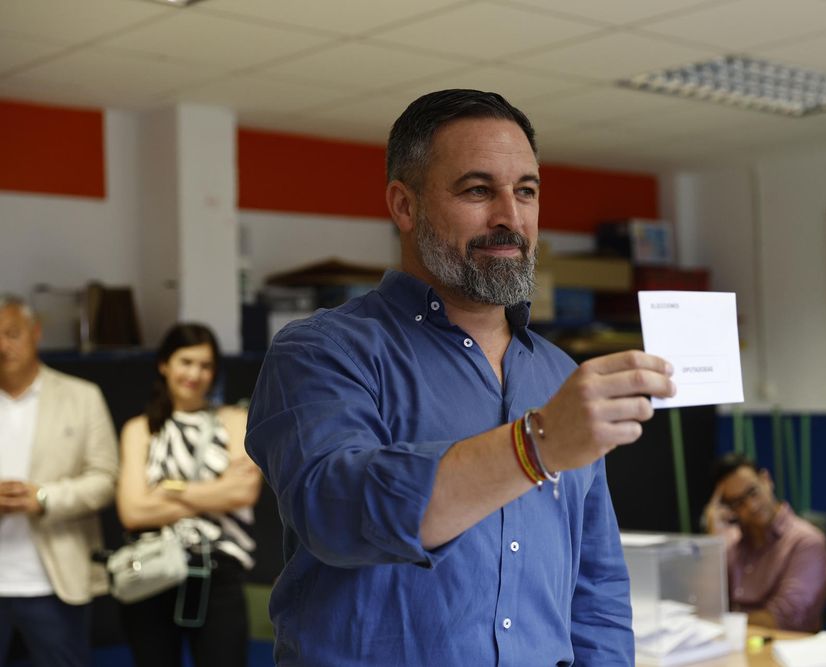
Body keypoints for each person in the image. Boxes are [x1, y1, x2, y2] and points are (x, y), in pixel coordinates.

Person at [246, 89, 676, 666]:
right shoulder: (323, 352)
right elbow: (338, 512)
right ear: (405, 205)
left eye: (526, 191)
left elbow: (595, 587)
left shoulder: (559, 375)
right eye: (478, 190)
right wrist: (534, 445)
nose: (511, 217)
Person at [116, 323, 261, 667]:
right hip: (152, 572)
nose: (195, 373)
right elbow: (133, 511)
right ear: (164, 364)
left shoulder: (235, 420)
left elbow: (243, 492)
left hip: (218, 570)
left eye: (206, 365)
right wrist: (214, 493)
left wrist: (170, 488)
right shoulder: (139, 429)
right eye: (186, 361)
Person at [0, 294, 118, 667]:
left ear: (35, 333)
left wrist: (46, 498)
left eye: (12, 333)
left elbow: (105, 479)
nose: (2, 345)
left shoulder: (81, 397)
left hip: (54, 581)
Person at [704, 452, 826, 632]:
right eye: (737, 503)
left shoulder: (806, 542)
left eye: (753, 492)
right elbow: (704, 606)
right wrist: (713, 537)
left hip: (785, 651)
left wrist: (724, 625)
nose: (751, 506)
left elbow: (786, 618)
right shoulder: (729, 543)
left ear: (766, 480)